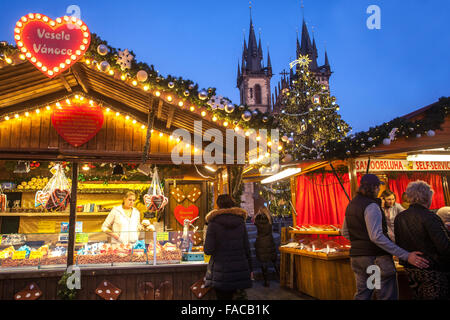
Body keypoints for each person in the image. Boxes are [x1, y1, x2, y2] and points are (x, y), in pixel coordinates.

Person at [342, 174, 429, 300]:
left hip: (359, 259)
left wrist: (361, 244)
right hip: (375, 260)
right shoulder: (371, 206)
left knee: (364, 294)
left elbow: (345, 231)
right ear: (375, 188)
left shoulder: (351, 205)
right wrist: (406, 255)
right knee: (385, 295)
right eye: (378, 187)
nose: (378, 190)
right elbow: (376, 236)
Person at [394, 181, 450, 299]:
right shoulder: (430, 217)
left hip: (411, 271)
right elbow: (444, 247)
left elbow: (399, 245)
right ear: (427, 197)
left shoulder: (400, 218)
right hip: (434, 272)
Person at [204, 194, 253, 300]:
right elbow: (247, 248)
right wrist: (250, 268)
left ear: (218, 205)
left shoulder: (213, 223)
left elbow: (208, 250)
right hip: (239, 270)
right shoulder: (240, 222)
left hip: (221, 272)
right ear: (232, 204)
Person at [253, 206, 279, 287]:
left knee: (263, 262)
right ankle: (280, 277)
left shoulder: (257, 219)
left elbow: (254, 222)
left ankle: (266, 281)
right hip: (269, 241)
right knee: (274, 261)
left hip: (260, 242)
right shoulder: (269, 219)